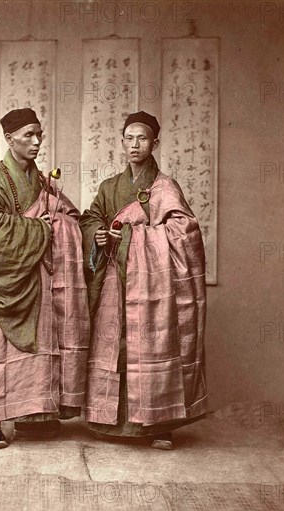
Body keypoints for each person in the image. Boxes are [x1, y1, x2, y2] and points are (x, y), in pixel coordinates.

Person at [79, 111, 207, 450]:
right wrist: (99, 236)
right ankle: (108, 419)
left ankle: (159, 423)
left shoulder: (164, 187)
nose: (135, 144)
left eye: (143, 138)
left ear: (154, 144)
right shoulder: (109, 187)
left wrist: (134, 239)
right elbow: (90, 219)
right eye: (129, 138)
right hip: (112, 280)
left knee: (151, 346)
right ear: (121, 143)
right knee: (113, 345)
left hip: (151, 284)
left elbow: (184, 232)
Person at [0, 108, 90, 449]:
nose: (36, 142)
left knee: (38, 352)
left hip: (42, 281)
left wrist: (60, 224)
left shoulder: (41, 181)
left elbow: (69, 216)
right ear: (9, 139)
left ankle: (33, 419)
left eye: (39, 135)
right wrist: (38, 228)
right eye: (28, 136)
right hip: (8, 280)